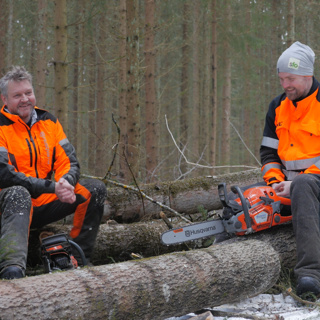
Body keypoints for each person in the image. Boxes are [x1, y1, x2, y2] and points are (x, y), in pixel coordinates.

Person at [0, 66, 107, 280]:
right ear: (4, 99)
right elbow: (5, 175)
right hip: (8, 202)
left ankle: (80, 256)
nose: (25, 99)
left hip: (44, 199)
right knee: (18, 193)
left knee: (95, 189)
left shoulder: (48, 122)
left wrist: (66, 182)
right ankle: (12, 270)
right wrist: (52, 187)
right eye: (17, 95)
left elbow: (69, 161)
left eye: (28, 93)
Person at [261, 41, 320, 297]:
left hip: (313, 184)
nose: (286, 85)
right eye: (282, 78)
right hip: (288, 185)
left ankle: (310, 275)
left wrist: (297, 184)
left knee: (304, 186)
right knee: (247, 198)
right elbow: (269, 153)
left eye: (291, 78)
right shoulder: (277, 106)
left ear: (307, 75)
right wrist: (274, 181)